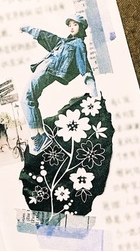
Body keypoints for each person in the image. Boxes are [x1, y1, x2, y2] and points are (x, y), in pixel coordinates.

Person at [20, 16, 98, 155]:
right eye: (70, 25)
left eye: (75, 25)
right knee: (30, 99)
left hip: (48, 71)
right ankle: (41, 135)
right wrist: (27, 29)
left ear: (81, 27)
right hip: (43, 67)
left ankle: (36, 137)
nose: (71, 27)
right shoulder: (64, 41)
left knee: (26, 98)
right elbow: (46, 36)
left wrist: (94, 93)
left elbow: (85, 68)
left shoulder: (79, 44)